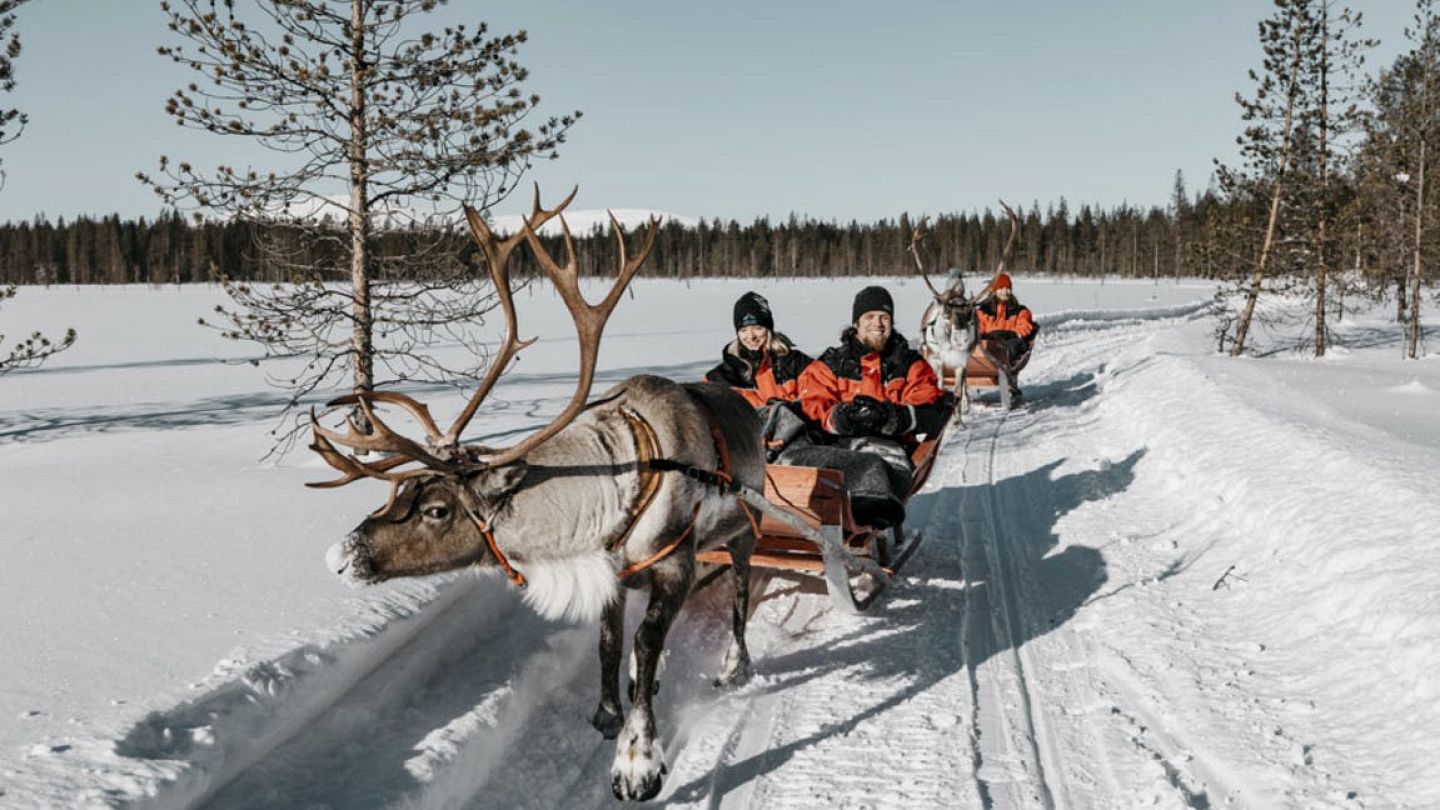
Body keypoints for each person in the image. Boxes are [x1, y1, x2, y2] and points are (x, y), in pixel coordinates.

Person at [789, 285, 947, 527]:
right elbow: (814, 403)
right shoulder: (832, 364)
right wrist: (840, 417)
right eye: (870, 317)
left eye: (885, 317)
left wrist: (893, 417)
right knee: (798, 463)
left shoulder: (909, 363)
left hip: (889, 450)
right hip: (838, 447)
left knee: (874, 471)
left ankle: (861, 510)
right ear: (856, 323)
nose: (878, 324)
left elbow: (930, 407)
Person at [705, 291, 815, 459]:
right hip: (744, 455)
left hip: (795, 450)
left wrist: (791, 410)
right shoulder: (720, 377)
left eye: (757, 328)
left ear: (769, 328)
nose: (751, 336)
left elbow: (820, 402)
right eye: (743, 330)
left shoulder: (796, 364)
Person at [976, 273, 1037, 401]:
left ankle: (1010, 384)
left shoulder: (1020, 310)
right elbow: (979, 327)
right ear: (995, 291)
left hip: (1011, 342)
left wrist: (1011, 333)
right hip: (990, 344)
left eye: (1008, 288)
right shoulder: (984, 310)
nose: (1005, 291)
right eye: (1001, 288)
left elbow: (1024, 325)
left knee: (1010, 347)